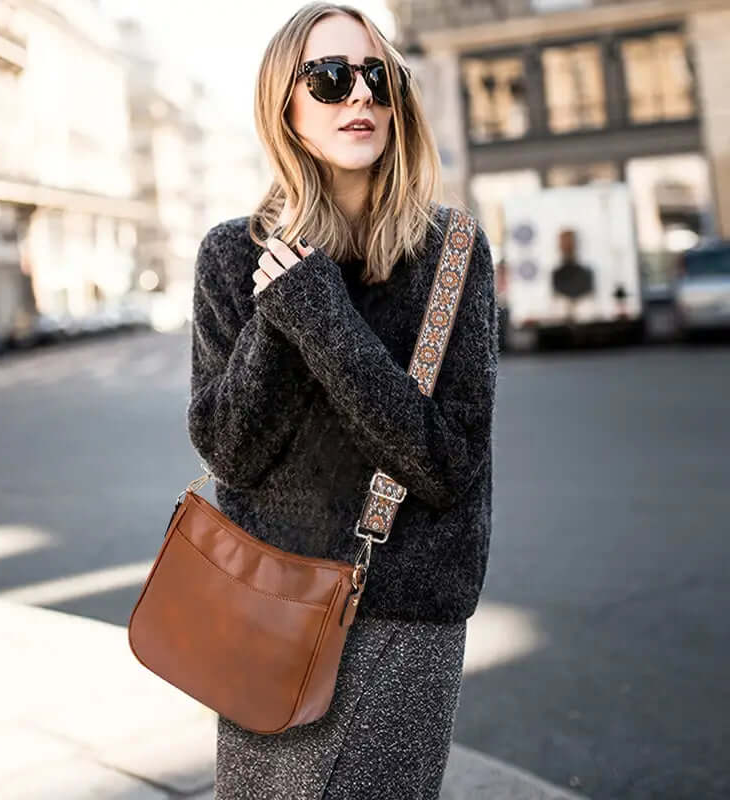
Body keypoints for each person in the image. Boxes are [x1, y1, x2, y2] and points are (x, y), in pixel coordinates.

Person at [186, 3, 499, 798]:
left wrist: (321, 315)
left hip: (404, 616)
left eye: (377, 77)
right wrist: (281, 306)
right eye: (328, 79)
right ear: (285, 107)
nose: (359, 97)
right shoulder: (232, 254)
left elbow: (446, 464)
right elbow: (231, 450)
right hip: (270, 604)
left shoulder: (451, 252)